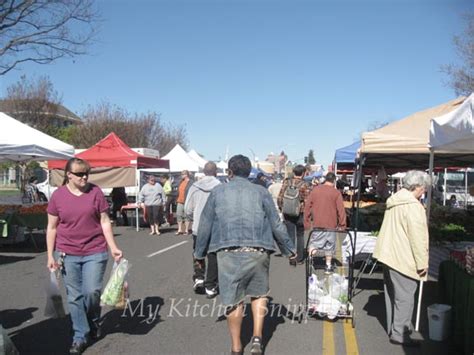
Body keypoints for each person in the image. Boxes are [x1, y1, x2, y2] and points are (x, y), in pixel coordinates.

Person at [195, 154, 296, 355]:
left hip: (227, 252)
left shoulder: (218, 192)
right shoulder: (261, 192)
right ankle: (257, 339)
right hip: (258, 251)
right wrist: (289, 251)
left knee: (234, 300)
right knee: (259, 294)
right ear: (249, 172)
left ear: (230, 172)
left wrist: (199, 254)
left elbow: (204, 224)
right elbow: (276, 223)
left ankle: (236, 347)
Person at [46, 158, 123, 354]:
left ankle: (93, 320)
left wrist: (113, 246)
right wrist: (49, 256)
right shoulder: (58, 196)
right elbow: (52, 227)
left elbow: (105, 221)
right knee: (74, 297)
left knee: (91, 291)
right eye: (80, 173)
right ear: (69, 175)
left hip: (95, 251)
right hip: (66, 253)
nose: (84, 177)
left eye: (87, 173)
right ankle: (80, 336)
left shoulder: (95, 192)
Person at [372, 170, 430, 347]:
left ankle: (395, 328)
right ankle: (400, 333)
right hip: (403, 257)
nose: (424, 191)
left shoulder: (395, 202)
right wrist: (422, 263)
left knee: (393, 295)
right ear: (417, 186)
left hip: (389, 255)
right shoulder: (413, 207)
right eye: (424, 187)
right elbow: (418, 238)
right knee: (404, 298)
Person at [185, 162, 221, 298]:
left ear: (204, 172)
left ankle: (199, 277)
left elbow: (187, 209)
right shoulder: (220, 187)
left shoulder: (194, 186)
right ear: (215, 172)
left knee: (198, 252)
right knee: (213, 255)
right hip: (214, 227)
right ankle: (210, 285)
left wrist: (194, 217)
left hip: (198, 226)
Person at [304, 172, 346, 274]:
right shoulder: (336, 193)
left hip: (318, 222)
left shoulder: (315, 190)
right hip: (331, 223)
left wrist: (307, 221)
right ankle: (328, 266)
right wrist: (342, 225)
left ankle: (310, 262)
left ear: (325, 179)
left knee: (314, 243)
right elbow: (341, 210)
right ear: (334, 181)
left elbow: (307, 206)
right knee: (329, 246)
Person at [278, 165, 312, 265]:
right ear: (303, 173)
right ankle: (300, 258)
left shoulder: (286, 182)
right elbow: (307, 200)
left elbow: (280, 197)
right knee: (300, 235)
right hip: (299, 212)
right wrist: (308, 214)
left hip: (287, 212)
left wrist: (282, 208)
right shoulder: (305, 184)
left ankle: (292, 256)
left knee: (290, 234)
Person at [176, 170, 192, 235]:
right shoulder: (181, 182)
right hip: (180, 200)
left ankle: (186, 230)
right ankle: (179, 229)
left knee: (186, 215)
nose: (181, 176)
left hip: (187, 201)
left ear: (186, 175)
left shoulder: (191, 182)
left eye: (182, 174)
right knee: (178, 214)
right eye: (181, 174)